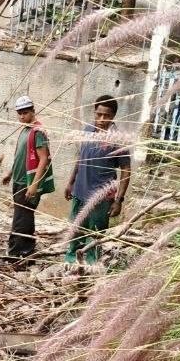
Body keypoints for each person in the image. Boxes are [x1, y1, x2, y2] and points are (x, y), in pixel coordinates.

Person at [64, 95, 131, 267]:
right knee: (75, 229)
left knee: (95, 233)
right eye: (98, 114)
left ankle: (92, 265)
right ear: (94, 113)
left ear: (113, 116)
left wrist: (119, 200)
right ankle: (71, 259)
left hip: (102, 198)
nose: (101, 119)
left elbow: (126, 170)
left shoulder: (118, 139)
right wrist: (71, 182)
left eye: (106, 115)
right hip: (80, 191)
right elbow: (81, 158)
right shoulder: (87, 131)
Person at [2, 95, 54, 262]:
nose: (22, 116)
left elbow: (44, 158)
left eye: (25, 112)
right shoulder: (24, 130)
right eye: (20, 113)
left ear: (33, 111)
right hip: (18, 181)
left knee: (19, 219)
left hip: (27, 183)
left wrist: (34, 185)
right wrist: (10, 173)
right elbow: (20, 156)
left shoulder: (38, 132)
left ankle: (14, 254)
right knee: (26, 217)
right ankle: (28, 250)